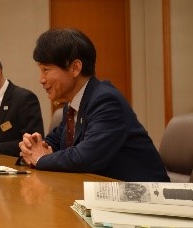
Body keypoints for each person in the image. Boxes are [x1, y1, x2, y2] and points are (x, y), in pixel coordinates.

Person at [19, 28, 169, 182]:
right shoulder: (72, 104)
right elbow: (55, 142)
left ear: (75, 68)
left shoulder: (106, 100)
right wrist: (32, 147)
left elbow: (86, 156)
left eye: (46, 70)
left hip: (145, 194)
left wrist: (40, 159)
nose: (41, 79)